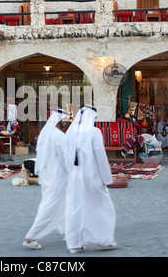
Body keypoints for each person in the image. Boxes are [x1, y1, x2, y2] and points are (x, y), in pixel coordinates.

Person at [61, 104, 117, 254]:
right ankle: (104, 240)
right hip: (92, 177)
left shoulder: (69, 133)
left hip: (74, 177)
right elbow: (101, 157)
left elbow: (65, 157)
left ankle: (74, 244)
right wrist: (107, 179)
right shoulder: (94, 132)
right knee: (103, 207)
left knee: (75, 208)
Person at [23, 109, 70, 250]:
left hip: (48, 176)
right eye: (64, 120)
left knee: (64, 204)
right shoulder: (58, 136)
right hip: (57, 178)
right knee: (49, 207)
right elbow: (64, 160)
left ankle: (68, 232)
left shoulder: (49, 134)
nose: (66, 122)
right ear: (58, 121)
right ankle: (31, 236)